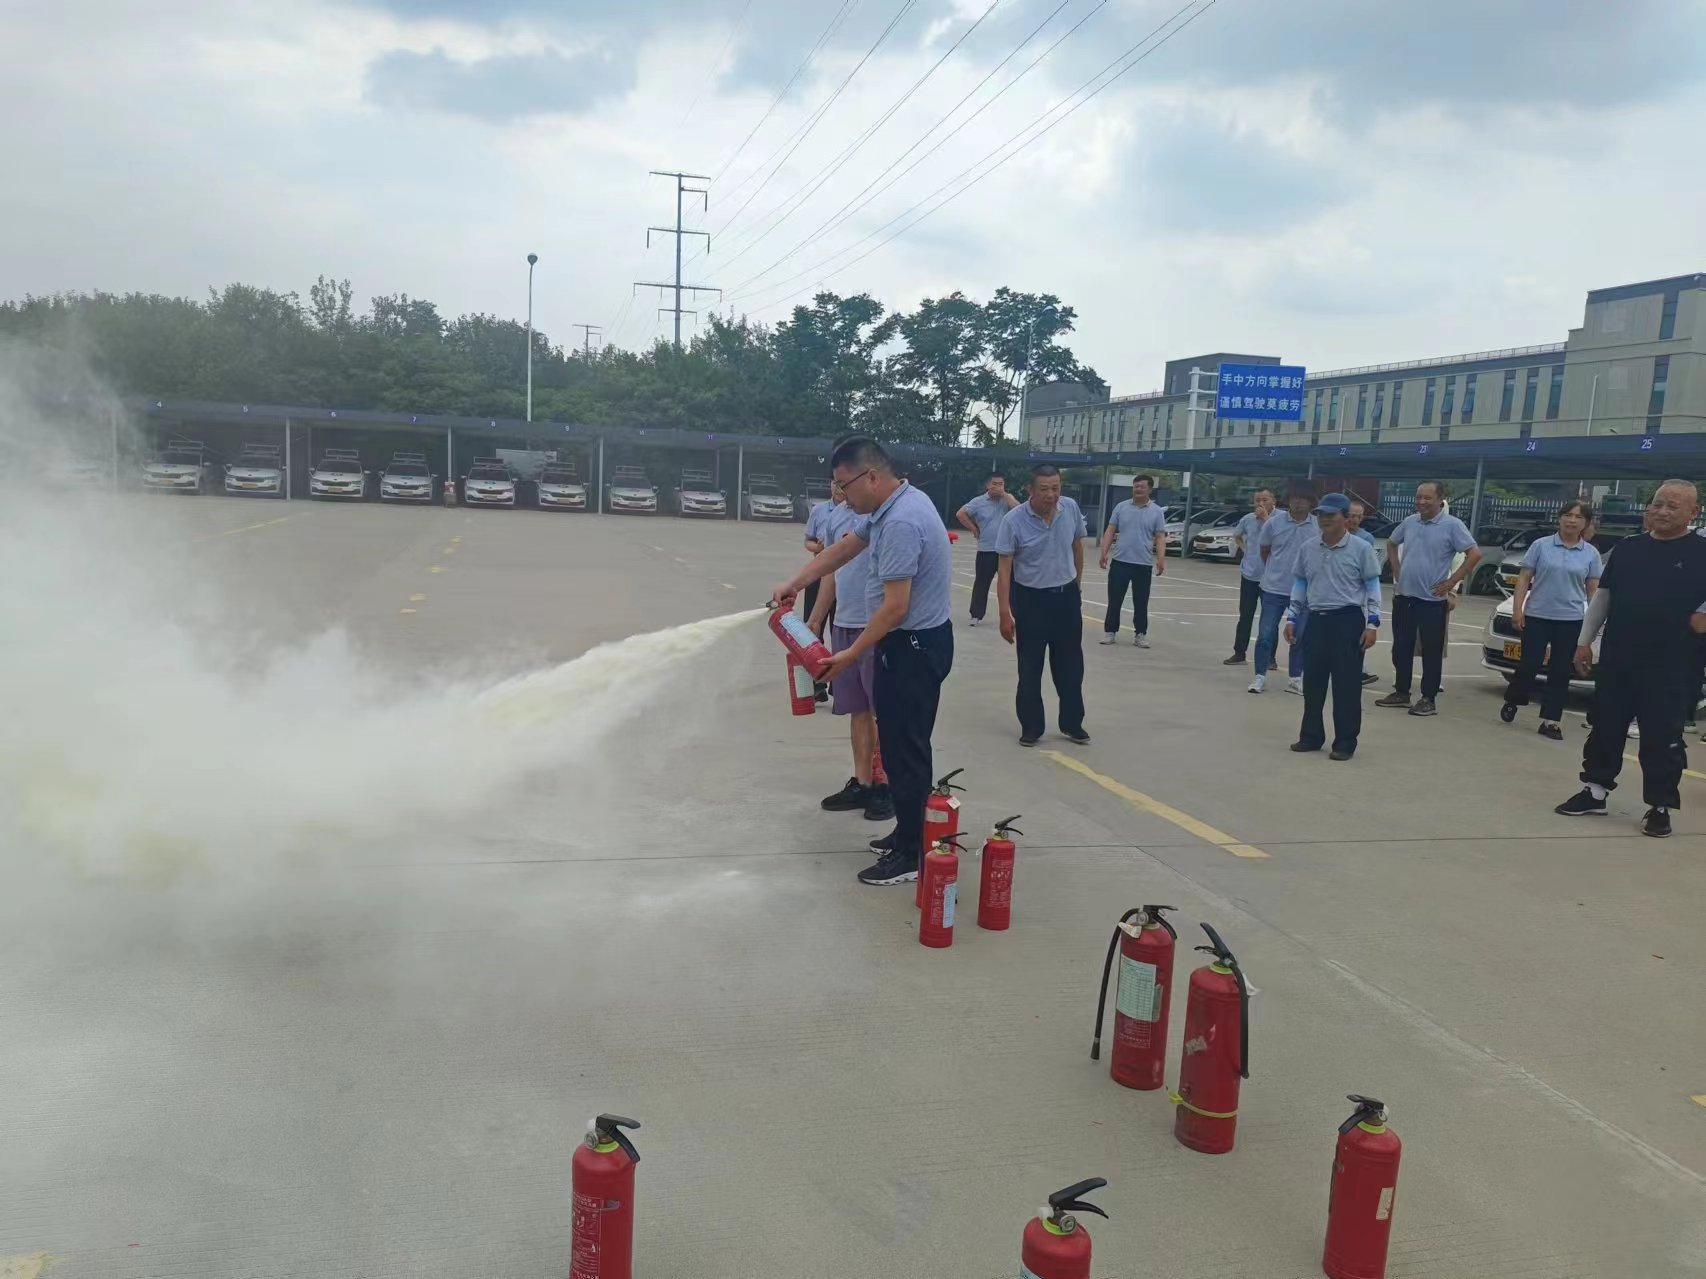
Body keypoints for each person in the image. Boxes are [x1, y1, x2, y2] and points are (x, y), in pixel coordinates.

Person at [772, 438, 954, 884]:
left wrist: (852, 654)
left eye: (844, 485)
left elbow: (895, 607)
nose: (841, 495)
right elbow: (846, 548)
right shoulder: (893, 505)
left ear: (871, 477)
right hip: (907, 644)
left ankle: (912, 855)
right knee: (896, 745)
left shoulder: (902, 522)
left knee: (905, 751)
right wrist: (797, 581)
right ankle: (907, 833)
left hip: (912, 647)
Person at [1555, 480, 1706, 838]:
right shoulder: (1628, 549)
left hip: (1673, 665)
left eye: (1672, 506)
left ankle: (1660, 805)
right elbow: (1603, 598)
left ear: (1693, 512)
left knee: (1662, 737)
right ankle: (1595, 790)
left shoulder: (1702, 552)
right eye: (1658, 504)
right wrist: (1584, 642)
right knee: (1605, 726)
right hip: (1619, 658)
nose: (1662, 512)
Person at [808, 485, 894, 821]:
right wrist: (816, 619)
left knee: (884, 710)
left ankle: (886, 783)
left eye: (847, 481)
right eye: (837, 482)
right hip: (844, 622)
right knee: (857, 709)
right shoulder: (836, 517)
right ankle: (862, 782)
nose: (842, 488)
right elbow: (831, 571)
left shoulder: (886, 515)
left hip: (877, 625)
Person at [996, 464, 1090, 747]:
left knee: (1071, 666)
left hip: (1066, 599)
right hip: (1030, 601)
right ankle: (1031, 727)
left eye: (1056, 488)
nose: (1051, 495)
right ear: (1030, 489)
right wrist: (1004, 613)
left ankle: (1072, 723)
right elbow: (1004, 569)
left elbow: (1077, 546)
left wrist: (1077, 583)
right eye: (1045, 489)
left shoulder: (1070, 508)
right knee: (1030, 667)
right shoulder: (1013, 521)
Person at [1285, 494, 1382, 761]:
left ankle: (1345, 742)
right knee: (1313, 682)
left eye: (1331, 514)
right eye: (1321, 514)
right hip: (1316, 619)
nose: (1325, 519)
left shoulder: (1361, 549)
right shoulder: (1308, 548)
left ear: (1345, 518)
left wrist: (1373, 624)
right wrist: (1292, 618)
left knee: (1346, 685)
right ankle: (1311, 736)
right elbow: (1301, 584)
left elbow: (1372, 587)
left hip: (1347, 621)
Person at [1376, 482, 1480, 718]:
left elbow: (1474, 554)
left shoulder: (1452, 525)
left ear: (1440, 499)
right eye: (1418, 497)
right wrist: (1396, 568)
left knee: (1431, 652)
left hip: (1432, 601)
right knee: (1401, 648)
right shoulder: (1410, 522)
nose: (1421, 502)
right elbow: (1392, 543)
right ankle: (1401, 692)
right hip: (1404, 597)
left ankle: (1428, 698)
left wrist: (1452, 581)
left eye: (1427, 498)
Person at [1500, 500, 1602, 740]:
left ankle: (1551, 720)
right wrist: (1517, 610)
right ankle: (1514, 699)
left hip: (1571, 619)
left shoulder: (1590, 554)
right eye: (1567, 515)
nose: (1571, 520)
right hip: (1537, 615)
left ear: (1585, 523)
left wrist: (1593, 625)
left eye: (1578, 517)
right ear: (1559, 518)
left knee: (1560, 671)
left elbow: (1593, 591)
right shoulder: (1541, 546)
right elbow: (1524, 578)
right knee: (1529, 664)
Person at [1251, 486, 1319, 695]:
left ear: (1311, 503)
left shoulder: (1317, 526)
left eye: (1303, 498)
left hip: (1304, 591)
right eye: (1294, 498)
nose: (1297, 502)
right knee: (1265, 634)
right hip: (1273, 589)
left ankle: (1295, 678)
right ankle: (1260, 676)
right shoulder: (1274, 523)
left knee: (1299, 635)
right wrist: (1275, 570)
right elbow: (1265, 550)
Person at [1098, 474, 1167, 647]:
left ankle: (1140, 634)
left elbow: (1160, 536)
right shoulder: (1121, 507)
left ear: (1150, 489)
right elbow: (1110, 530)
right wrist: (1104, 552)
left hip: (1143, 564)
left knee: (1141, 601)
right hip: (1120, 561)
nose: (1138, 489)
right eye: (1136, 486)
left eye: (1142, 487)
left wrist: (1161, 559)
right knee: (1115, 600)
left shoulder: (1157, 511)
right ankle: (1110, 632)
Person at [955, 472, 1019, 626]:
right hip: (986, 549)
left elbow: (1020, 510)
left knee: (1013, 584)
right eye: (994, 484)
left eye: (1001, 484)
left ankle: (1018, 615)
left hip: (1007, 551)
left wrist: (1005, 495)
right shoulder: (978, 502)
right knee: (981, 583)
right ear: (988, 485)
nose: (997, 487)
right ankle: (976, 615)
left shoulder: (1007, 500)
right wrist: (973, 528)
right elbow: (961, 514)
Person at [1223, 488, 1274, 666]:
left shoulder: (1280, 519)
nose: (1260, 503)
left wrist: (1265, 518)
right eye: (1257, 500)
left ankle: (1270, 657)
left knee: (1270, 619)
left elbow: (1279, 537)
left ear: (1273, 501)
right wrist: (1245, 549)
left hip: (1271, 576)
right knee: (1245, 615)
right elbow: (1237, 535)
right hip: (1250, 574)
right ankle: (1239, 652)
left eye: (1265, 500)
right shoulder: (1248, 519)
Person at [801, 492, 835, 702]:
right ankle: (817, 684)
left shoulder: (859, 512)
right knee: (813, 630)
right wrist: (819, 548)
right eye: (835, 483)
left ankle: (840, 688)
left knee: (839, 630)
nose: (839, 488)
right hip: (818, 572)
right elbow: (808, 542)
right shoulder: (820, 510)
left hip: (843, 578)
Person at [1346, 500, 1382, 685]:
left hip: (1358, 591)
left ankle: (1357, 669)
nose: (1355, 520)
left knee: (1358, 632)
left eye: (1359, 516)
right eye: (1351, 515)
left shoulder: (1366, 538)